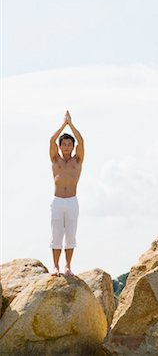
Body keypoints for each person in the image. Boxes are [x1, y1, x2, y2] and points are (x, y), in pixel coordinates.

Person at [49, 110, 84, 277]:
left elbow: (82, 141)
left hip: (72, 201)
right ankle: (55, 266)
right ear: (60, 145)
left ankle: (68, 266)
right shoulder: (56, 159)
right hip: (57, 201)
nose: (67, 147)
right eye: (64, 144)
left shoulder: (77, 161)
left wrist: (71, 124)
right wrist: (63, 124)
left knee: (71, 234)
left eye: (70, 144)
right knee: (56, 234)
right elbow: (51, 140)